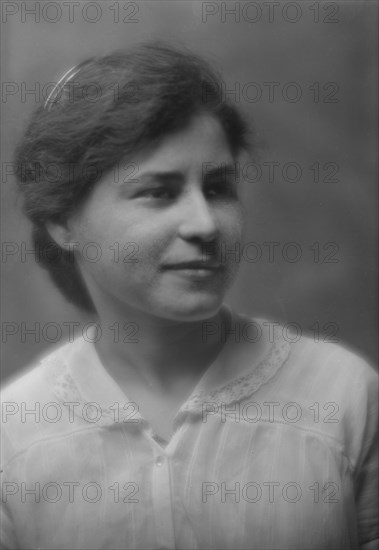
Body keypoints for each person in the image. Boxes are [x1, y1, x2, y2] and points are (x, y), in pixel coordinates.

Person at [1, 41, 377, 550]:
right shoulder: (15, 432)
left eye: (219, 189)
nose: (204, 224)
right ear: (63, 222)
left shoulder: (345, 396)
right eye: (159, 191)